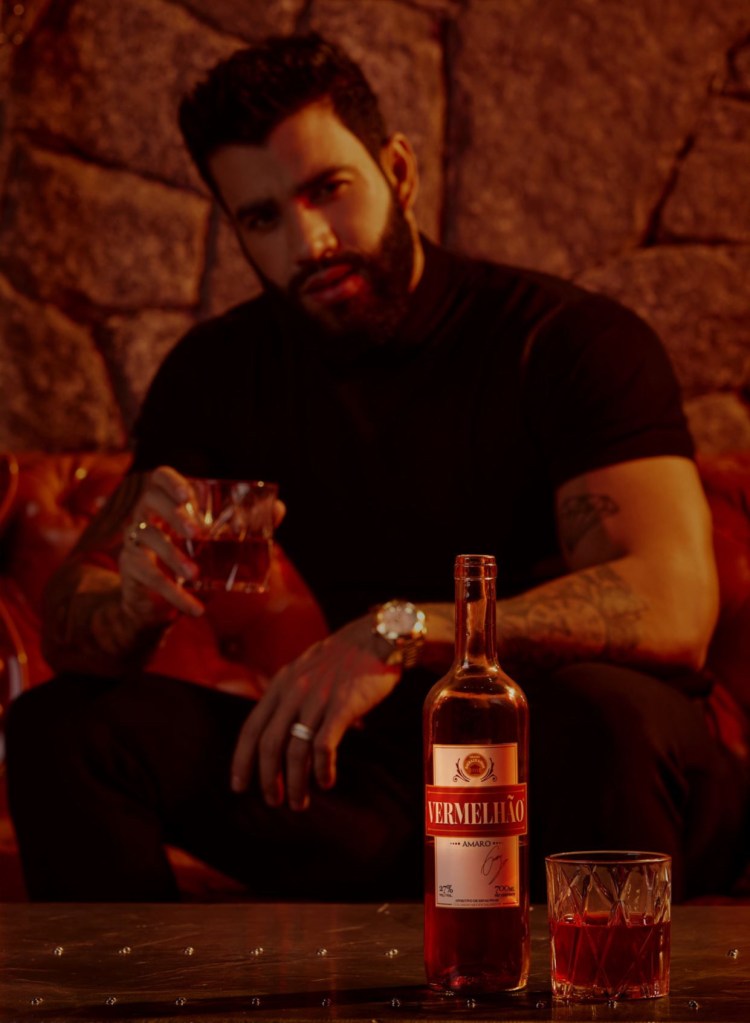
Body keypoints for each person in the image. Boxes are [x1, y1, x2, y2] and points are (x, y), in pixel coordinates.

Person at [6, 33, 747, 904]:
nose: (309, 242)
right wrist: (130, 602)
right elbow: (72, 622)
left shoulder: (565, 341)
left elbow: (672, 603)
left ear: (398, 170)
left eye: (327, 189)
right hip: (398, 784)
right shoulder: (218, 373)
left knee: (595, 709)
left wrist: (401, 629)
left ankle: (607, 975)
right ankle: (122, 986)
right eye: (263, 219)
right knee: (63, 729)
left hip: (611, 771)